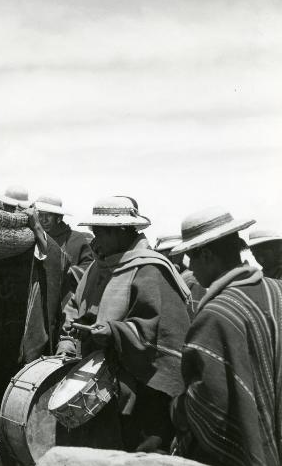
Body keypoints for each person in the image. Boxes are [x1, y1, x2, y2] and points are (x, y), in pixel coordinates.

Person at [56, 196, 191, 453]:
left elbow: (162, 332)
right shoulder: (99, 266)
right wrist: (70, 334)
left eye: (101, 233)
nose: (95, 241)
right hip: (107, 383)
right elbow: (78, 306)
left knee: (146, 449)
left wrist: (114, 331)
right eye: (94, 232)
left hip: (145, 387)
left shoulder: (151, 269)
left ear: (121, 232)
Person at [169, 207, 282, 466]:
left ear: (207, 255)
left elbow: (210, 400)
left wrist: (179, 409)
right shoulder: (278, 291)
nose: (190, 269)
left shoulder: (217, 314)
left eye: (190, 259)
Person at [0, 208, 70, 465]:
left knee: (22, 403)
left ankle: (19, 452)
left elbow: (58, 265)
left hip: (24, 339)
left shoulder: (41, 248)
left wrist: (38, 232)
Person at [35, 194, 93, 271]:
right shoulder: (34, 238)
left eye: (49, 215)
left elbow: (89, 267)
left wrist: (69, 273)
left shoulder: (77, 239)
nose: (44, 220)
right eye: (41, 215)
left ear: (59, 217)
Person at [155, 234, 205, 316]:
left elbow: (192, 316)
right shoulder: (174, 277)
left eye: (168, 252)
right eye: (161, 253)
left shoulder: (193, 279)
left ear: (181, 252)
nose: (165, 257)